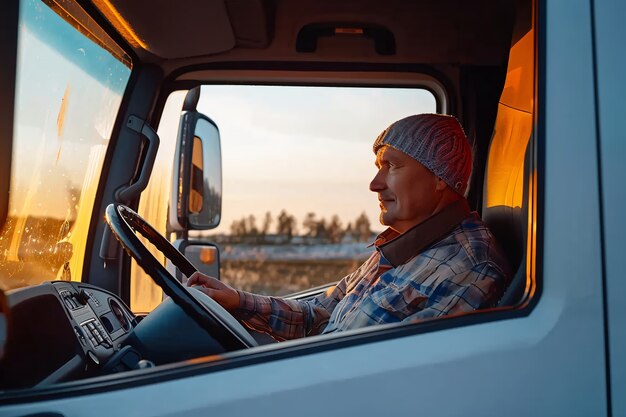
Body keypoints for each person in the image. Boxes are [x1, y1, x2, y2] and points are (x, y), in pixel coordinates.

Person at [187, 114, 511, 341]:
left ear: (439, 176)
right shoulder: (399, 248)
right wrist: (237, 301)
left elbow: (398, 379)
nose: (374, 184)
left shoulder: (471, 267)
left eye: (392, 166)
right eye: (377, 168)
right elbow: (321, 317)